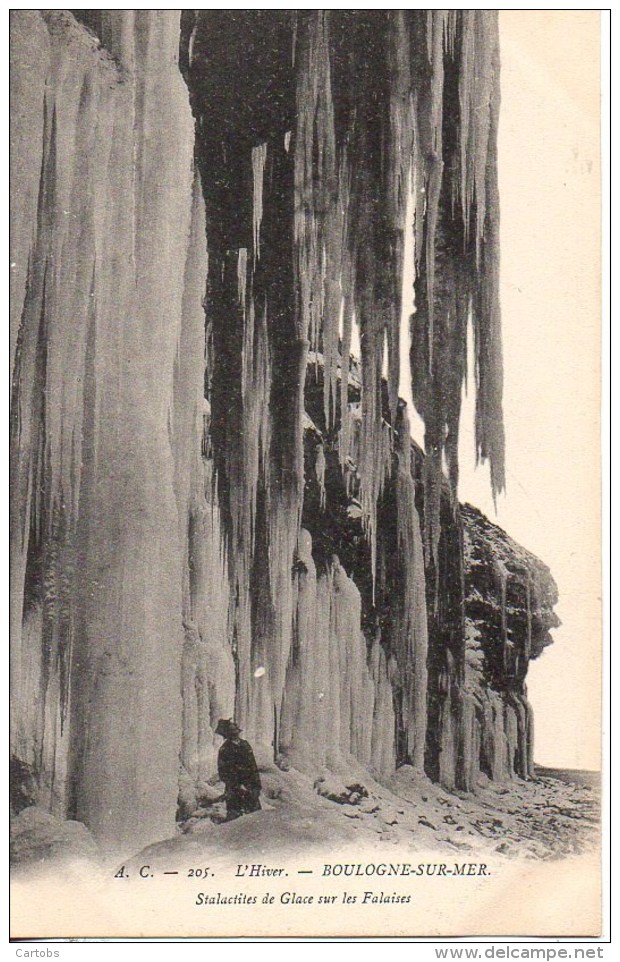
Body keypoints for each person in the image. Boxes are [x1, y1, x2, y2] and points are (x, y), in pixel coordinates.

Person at [215, 719, 262, 821]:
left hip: (249, 784)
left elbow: (253, 766)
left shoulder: (245, 744)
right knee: (234, 817)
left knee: (255, 817)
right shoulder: (225, 749)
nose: (235, 732)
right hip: (234, 788)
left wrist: (256, 785)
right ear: (227, 734)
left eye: (235, 729)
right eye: (231, 730)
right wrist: (235, 784)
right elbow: (223, 771)